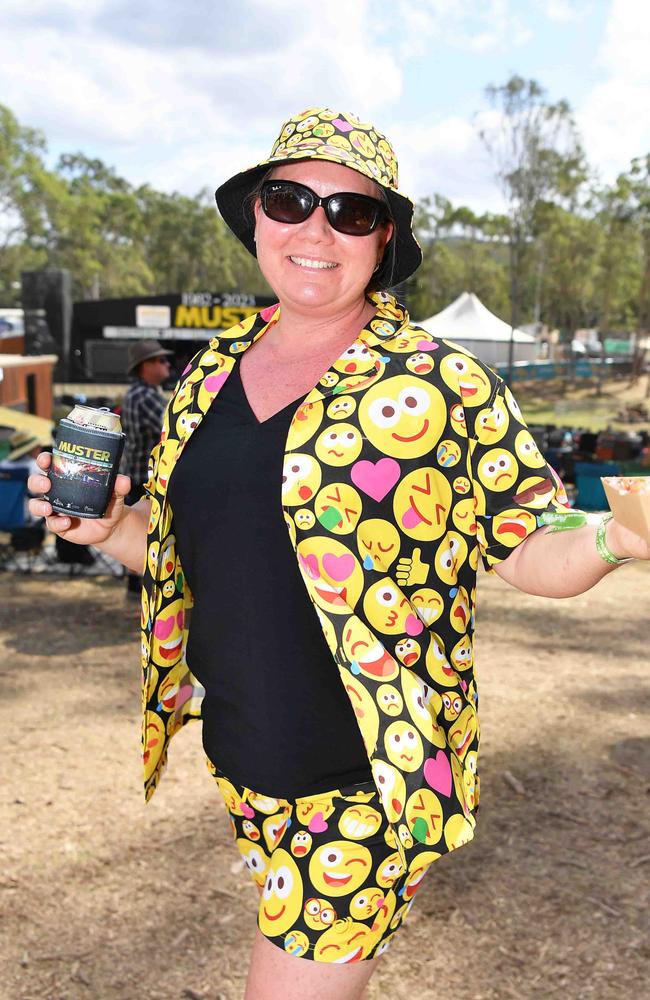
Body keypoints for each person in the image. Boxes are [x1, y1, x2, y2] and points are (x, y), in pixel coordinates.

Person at [28, 108, 650, 1000]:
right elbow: (183, 557)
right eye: (290, 200)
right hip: (246, 757)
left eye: (351, 212)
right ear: (256, 219)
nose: (315, 229)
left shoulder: (443, 382)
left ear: (384, 237)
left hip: (367, 778)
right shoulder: (208, 375)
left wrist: (615, 535)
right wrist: (107, 530)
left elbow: (529, 548)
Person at [120, 339, 173, 594]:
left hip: (136, 474)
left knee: (141, 533)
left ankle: (136, 586)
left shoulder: (135, 393)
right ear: (146, 365)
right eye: (161, 360)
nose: (167, 364)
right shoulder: (146, 396)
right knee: (150, 535)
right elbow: (173, 431)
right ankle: (144, 588)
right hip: (147, 477)